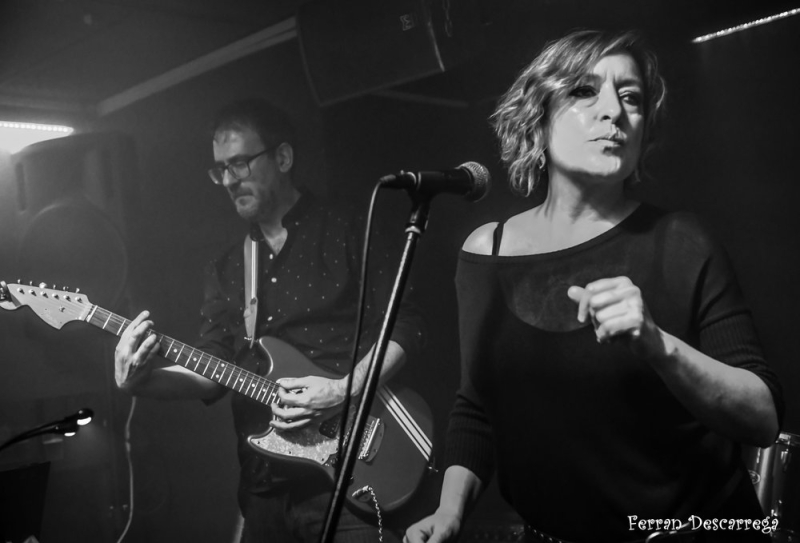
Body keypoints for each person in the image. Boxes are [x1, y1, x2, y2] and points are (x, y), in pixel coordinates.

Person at [404, 30, 783, 543]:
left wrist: (660, 346)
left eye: (632, 98)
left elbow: (762, 417)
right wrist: (450, 512)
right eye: (585, 91)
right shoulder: (486, 250)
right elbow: (476, 406)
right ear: (537, 117)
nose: (614, 112)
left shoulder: (682, 240)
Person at [114, 98, 425, 542]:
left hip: (348, 478)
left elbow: (408, 324)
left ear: (282, 157)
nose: (228, 180)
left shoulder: (349, 229)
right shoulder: (227, 268)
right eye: (220, 169)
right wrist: (140, 382)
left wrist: (344, 389)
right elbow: (213, 370)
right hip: (264, 487)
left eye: (239, 163)